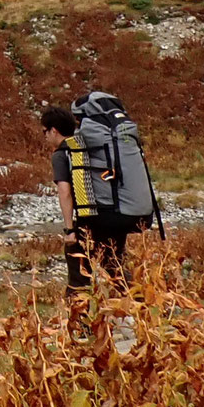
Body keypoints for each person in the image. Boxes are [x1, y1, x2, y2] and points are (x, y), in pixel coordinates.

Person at [42, 107, 133, 290]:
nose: (44, 136)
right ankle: (138, 309)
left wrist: (69, 230)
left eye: (45, 131)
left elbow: (64, 192)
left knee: (78, 274)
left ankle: (79, 314)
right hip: (116, 214)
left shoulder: (63, 154)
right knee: (115, 267)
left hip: (91, 219)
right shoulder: (91, 147)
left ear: (54, 130)